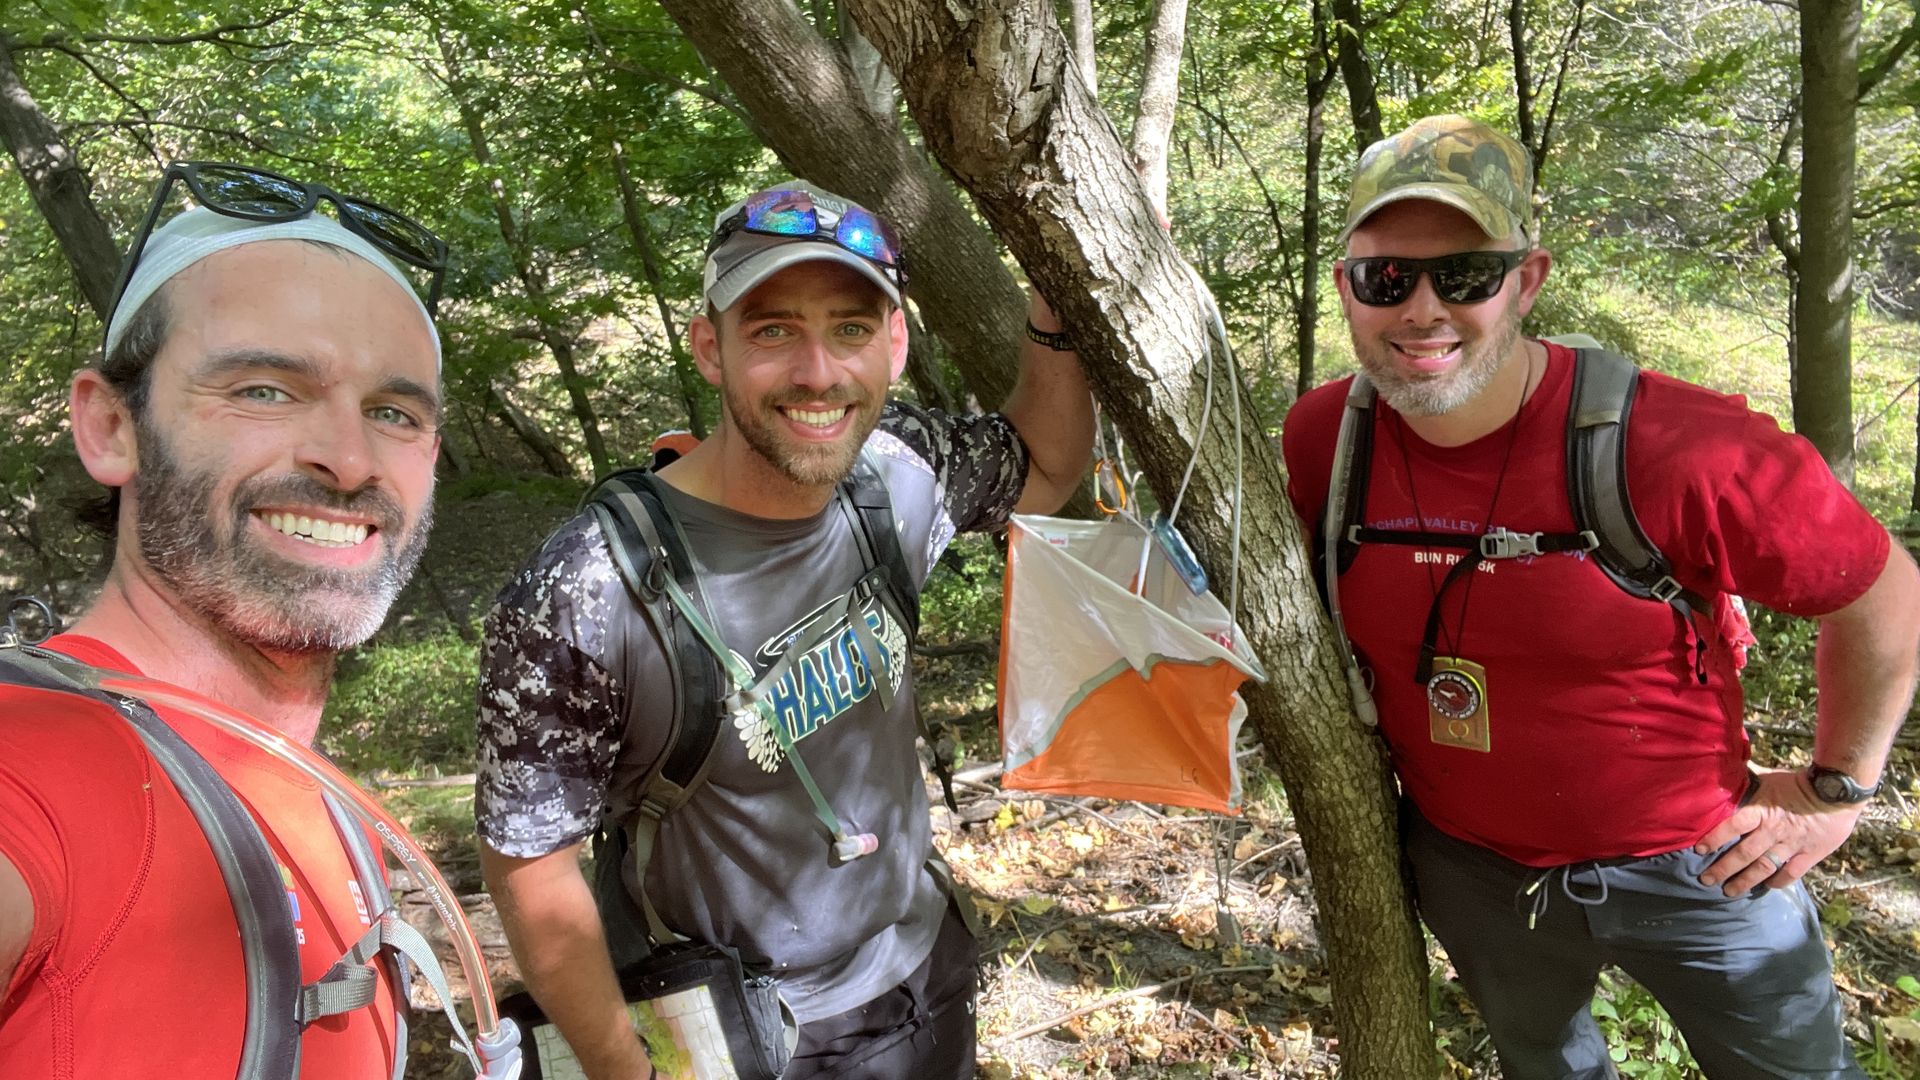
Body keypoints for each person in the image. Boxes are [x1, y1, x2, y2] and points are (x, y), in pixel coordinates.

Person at [1281, 115, 1920, 1079]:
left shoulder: (1679, 447)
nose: (1422, 310)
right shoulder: (1325, 441)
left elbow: (1885, 593)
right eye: (1387, 279)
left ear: (1526, 281)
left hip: (1703, 869)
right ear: (1348, 289)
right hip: (1471, 871)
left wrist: (1836, 792)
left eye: (1465, 276)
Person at [476, 181, 1093, 1078]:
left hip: (922, 973)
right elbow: (530, 863)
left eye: (850, 327)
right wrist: (621, 1063)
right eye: (772, 331)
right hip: (741, 1032)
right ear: (710, 348)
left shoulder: (897, 472)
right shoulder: (587, 591)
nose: (817, 372)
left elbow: (1042, 466)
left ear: (894, 342)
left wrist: (1054, 318)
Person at [0, 162, 449, 1077]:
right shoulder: (31, 765)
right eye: (264, 390)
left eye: (394, 412)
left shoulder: (325, 799)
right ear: (110, 427)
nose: (349, 458)